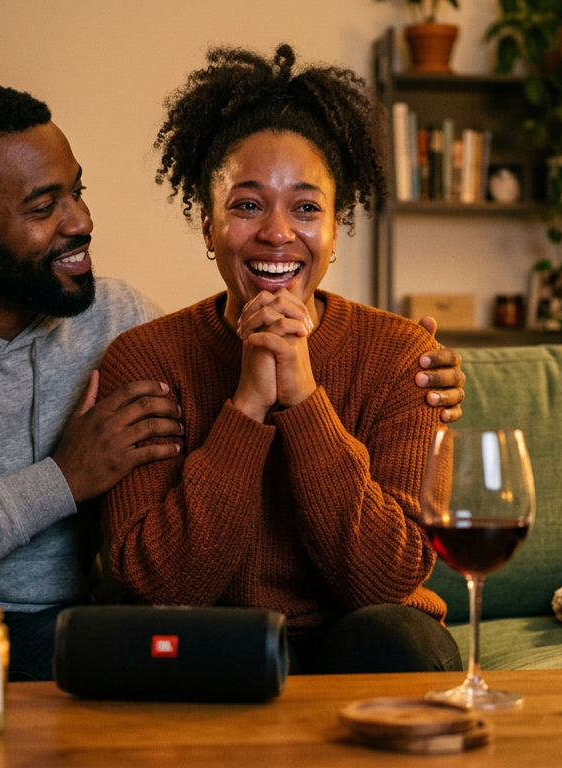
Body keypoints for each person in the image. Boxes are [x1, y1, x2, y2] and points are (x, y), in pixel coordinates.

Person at [0, 83, 466, 680]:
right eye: (45, 206)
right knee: (184, 655)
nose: (82, 220)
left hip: (75, 630)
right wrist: (63, 478)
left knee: (281, 649)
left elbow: (229, 351)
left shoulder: (117, 319)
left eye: (77, 190)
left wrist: (363, 382)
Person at [100, 45, 463, 674]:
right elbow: (160, 587)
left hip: (365, 639)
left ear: (335, 226)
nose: (276, 232)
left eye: (305, 207)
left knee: (394, 640)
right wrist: (247, 403)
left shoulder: (405, 356)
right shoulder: (147, 358)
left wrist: (304, 398)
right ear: (207, 222)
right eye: (246, 205)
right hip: (216, 644)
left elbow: (386, 579)